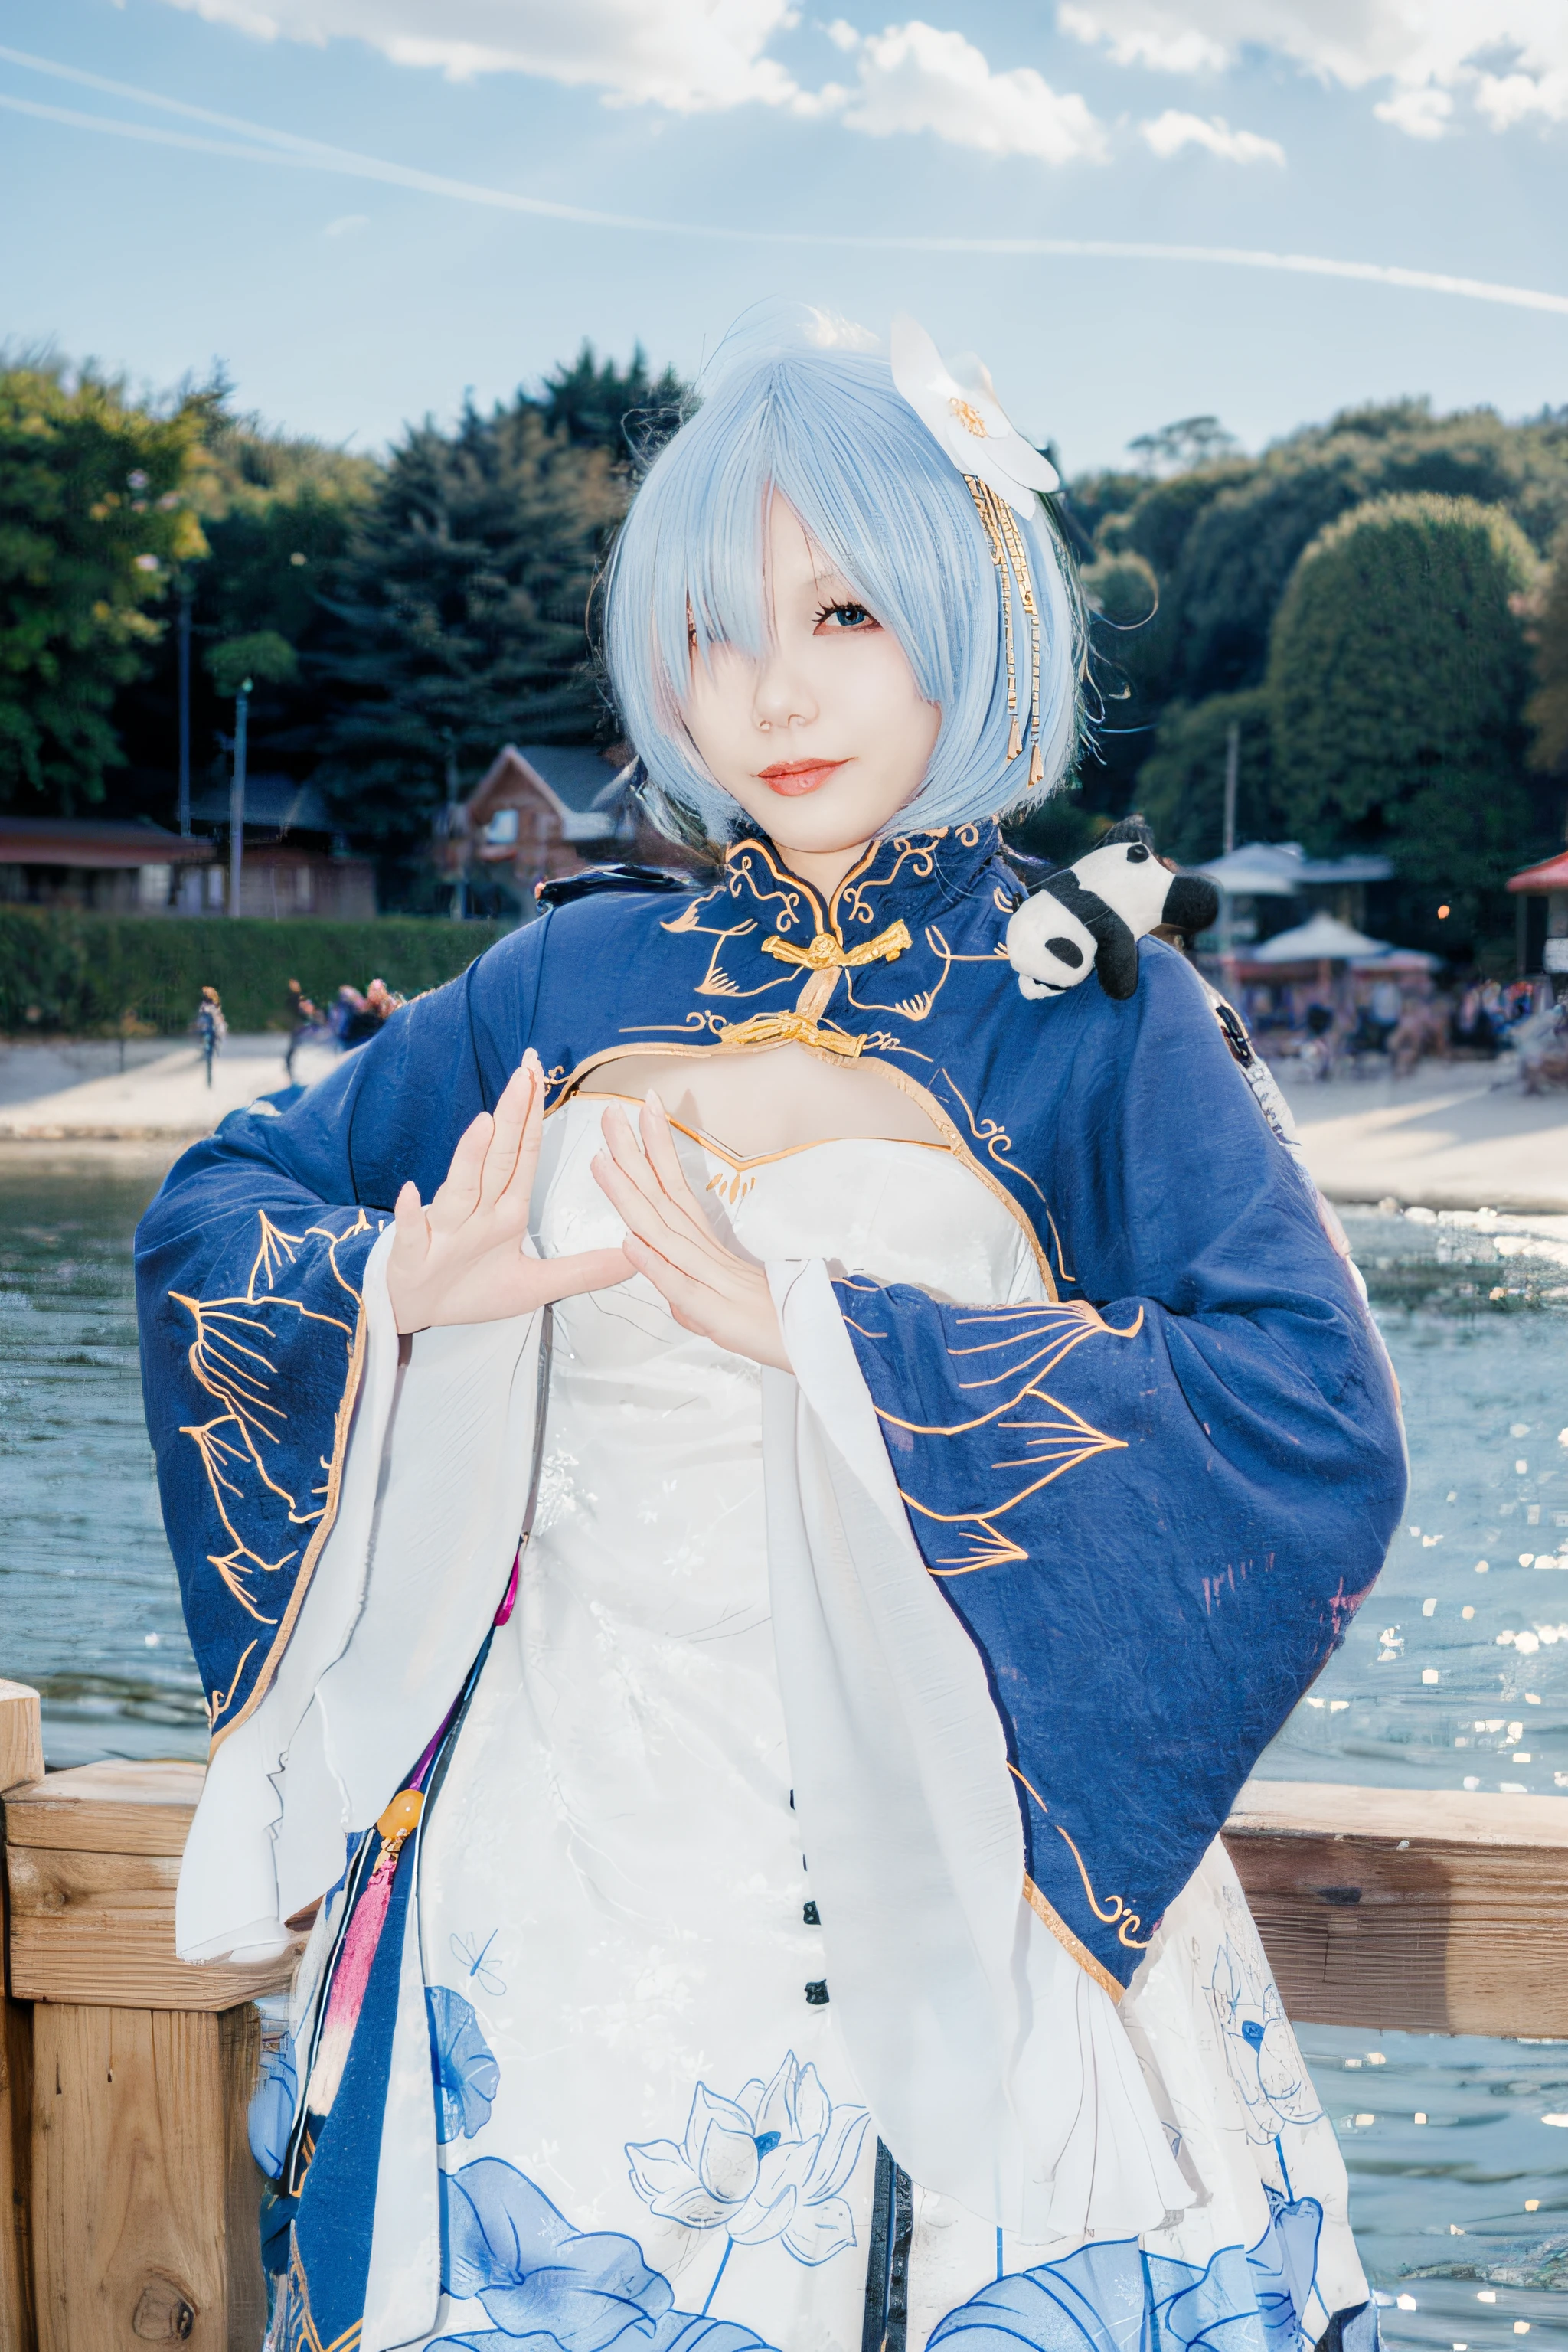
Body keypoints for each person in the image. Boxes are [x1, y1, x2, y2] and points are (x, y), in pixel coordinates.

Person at [135, 318, 1404, 2352]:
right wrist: (395, 1297)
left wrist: (837, 1338)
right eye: (718, 629)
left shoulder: (1095, 1011)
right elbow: (223, 1209)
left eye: (841, 607)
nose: (778, 687)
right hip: (543, 1886)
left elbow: (1311, 1422)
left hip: (957, 1865)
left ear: (967, 609)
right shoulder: (567, 972)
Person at [192, 983, 226, 1089]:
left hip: (209, 1033)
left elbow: (213, 1023)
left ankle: (209, 1082)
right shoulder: (211, 1009)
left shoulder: (207, 1009)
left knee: (209, 1056)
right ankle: (209, 1081)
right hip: (210, 1034)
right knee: (209, 1057)